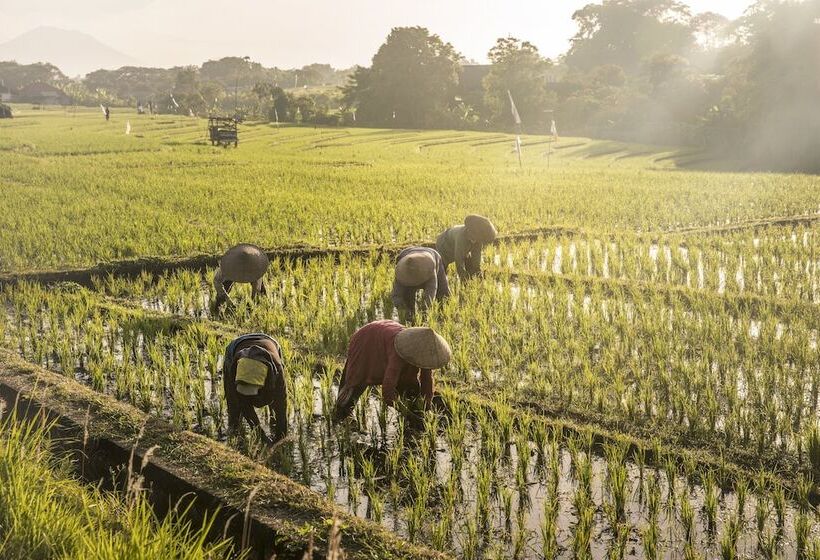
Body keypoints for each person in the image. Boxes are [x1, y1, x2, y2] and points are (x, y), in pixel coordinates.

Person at [333, 320, 451, 423]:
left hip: (384, 335)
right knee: (358, 380)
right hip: (367, 340)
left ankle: (412, 417)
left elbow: (427, 380)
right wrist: (404, 411)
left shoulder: (425, 353)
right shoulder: (400, 351)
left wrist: (426, 406)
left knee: (411, 390)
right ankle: (340, 415)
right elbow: (388, 389)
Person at [222, 333, 287, 444]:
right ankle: (234, 434)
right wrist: (259, 434)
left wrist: (281, 437)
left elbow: (281, 405)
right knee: (234, 406)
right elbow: (242, 403)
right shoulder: (235, 367)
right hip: (236, 347)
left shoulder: (277, 370)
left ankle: (275, 426)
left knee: (275, 400)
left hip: (270, 342)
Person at [391, 246, 450, 320]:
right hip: (406, 253)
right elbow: (396, 294)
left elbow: (431, 292)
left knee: (443, 293)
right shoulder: (402, 272)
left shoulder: (429, 268)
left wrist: (424, 311)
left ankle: (444, 317)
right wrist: (402, 308)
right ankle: (410, 319)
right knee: (408, 298)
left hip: (432, 255)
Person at [436, 215, 498, 280]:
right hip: (444, 244)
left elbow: (477, 255)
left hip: (460, 246)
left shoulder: (478, 239)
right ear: (473, 234)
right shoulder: (461, 237)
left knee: (470, 265)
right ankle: (441, 285)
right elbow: (459, 260)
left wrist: (477, 271)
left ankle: (470, 278)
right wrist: (463, 278)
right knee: (442, 269)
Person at [213, 243, 270, 310]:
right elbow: (217, 282)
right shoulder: (227, 267)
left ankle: (265, 307)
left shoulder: (256, 267)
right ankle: (218, 307)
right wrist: (227, 299)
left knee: (260, 294)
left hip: (252, 272)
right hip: (232, 273)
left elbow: (257, 288)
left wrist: (252, 303)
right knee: (222, 294)